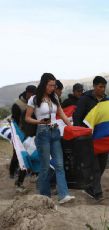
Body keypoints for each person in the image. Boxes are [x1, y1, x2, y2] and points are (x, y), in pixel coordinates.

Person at [25, 73, 75, 204]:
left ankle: (64, 195)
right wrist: (40, 122)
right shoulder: (34, 99)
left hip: (55, 132)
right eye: (51, 85)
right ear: (44, 84)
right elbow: (27, 118)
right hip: (42, 133)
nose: (53, 88)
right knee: (45, 166)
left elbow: (62, 114)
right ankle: (45, 197)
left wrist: (71, 127)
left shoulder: (55, 98)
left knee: (59, 164)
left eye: (54, 85)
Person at [73, 76, 109, 201]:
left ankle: (90, 186)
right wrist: (80, 133)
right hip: (89, 138)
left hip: (103, 138)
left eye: (104, 87)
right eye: (100, 87)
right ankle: (97, 192)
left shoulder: (107, 101)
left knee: (103, 164)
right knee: (95, 166)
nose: (102, 89)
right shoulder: (85, 100)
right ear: (94, 86)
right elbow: (77, 116)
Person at [9, 85, 36, 192]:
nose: (33, 96)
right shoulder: (18, 105)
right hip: (20, 134)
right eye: (32, 94)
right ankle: (12, 173)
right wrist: (17, 136)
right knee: (18, 155)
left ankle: (29, 174)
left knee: (29, 155)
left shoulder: (34, 102)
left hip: (31, 133)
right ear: (27, 93)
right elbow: (15, 122)